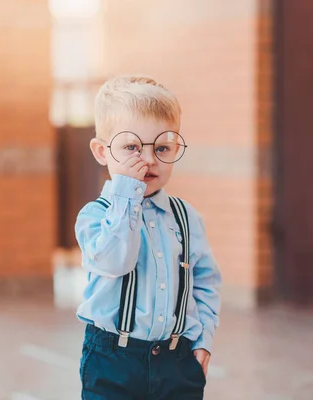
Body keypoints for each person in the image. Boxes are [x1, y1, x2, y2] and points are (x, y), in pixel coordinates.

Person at [74, 75, 222, 400]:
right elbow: (116, 261)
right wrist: (127, 192)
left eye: (162, 147)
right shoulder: (94, 216)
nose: (150, 159)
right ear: (102, 152)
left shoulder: (186, 218)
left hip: (177, 361)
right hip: (113, 360)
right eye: (132, 147)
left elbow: (205, 282)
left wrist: (203, 341)